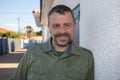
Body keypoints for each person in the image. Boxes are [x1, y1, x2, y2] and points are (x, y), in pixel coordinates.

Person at [11, 5, 94, 80]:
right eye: (56, 26)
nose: (62, 31)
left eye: (67, 25)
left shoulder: (87, 57)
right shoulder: (32, 53)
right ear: (49, 28)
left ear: (74, 26)